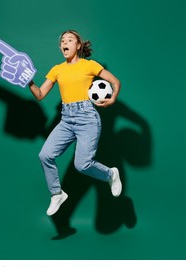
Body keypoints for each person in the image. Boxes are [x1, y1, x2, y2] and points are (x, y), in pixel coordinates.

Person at [28, 30, 122, 216]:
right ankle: (57, 193)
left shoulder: (89, 65)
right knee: (45, 155)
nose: (65, 42)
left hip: (87, 117)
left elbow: (115, 82)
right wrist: (29, 81)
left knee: (82, 165)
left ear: (78, 45)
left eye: (70, 40)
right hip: (66, 118)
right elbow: (40, 95)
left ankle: (110, 174)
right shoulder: (57, 69)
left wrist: (112, 98)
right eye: (62, 40)